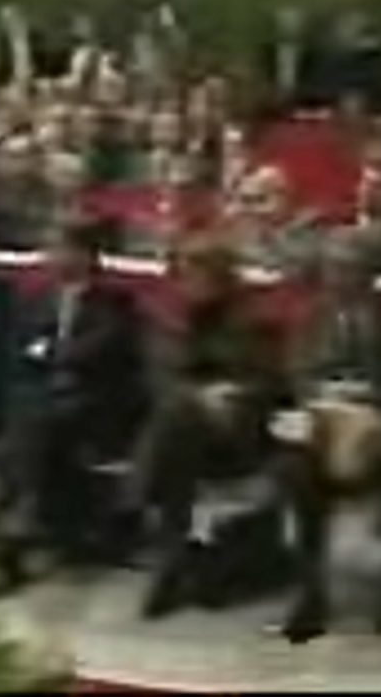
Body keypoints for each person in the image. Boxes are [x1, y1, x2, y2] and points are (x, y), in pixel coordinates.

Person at [273, 230, 381, 643]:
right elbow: (297, 373)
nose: (340, 278)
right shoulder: (312, 319)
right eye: (333, 268)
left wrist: (368, 394)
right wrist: (325, 394)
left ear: (370, 273)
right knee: (293, 468)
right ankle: (310, 591)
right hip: (326, 424)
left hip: (380, 423)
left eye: (350, 269)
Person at [0, 220, 148, 592]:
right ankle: (18, 523)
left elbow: (98, 353)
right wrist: (46, 359)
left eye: (61, 249)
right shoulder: (38, 299)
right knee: (27, 417)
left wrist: (50, 357)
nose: (53, 257)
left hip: (94, 401)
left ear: (85, 255)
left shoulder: (114, 302)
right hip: (40, 398)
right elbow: (20, 350)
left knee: (29, 425)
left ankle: (9, 520)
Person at [137, 234, 283, 619]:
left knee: (174, 421)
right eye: (184, 275)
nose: (188, 283)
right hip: (186, 424)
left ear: (220, 276)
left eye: (197, 275)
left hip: (238, 422)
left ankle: (145, 509)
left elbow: (269, 381)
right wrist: (198, 396)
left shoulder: (251, 318)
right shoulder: (174, 317)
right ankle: (174, 558)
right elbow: (160, 376)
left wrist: (230, 393)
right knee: (178, 419)